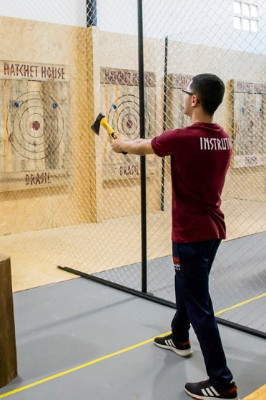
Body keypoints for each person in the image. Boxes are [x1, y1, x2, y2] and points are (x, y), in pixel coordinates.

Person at [111, 73, 238, 400]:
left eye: (186, 93)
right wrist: (130, 142)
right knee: (187, 286)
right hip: (212, 231)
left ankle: (222, 382)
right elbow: (157, 143)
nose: (183, 97)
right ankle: (179, 337)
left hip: (190, 235)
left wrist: (120, 145)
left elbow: (141, 147)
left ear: (195, 100)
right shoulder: (224, 139)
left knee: (199, 304)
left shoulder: (182, 137)